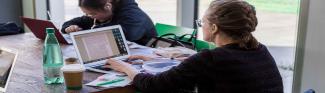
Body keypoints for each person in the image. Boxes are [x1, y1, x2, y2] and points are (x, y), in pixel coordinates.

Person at [105, 0, 284, 93]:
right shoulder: (259, 50)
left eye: (202, 22)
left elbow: (153, 85)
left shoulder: (211, 58)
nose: (201, 25)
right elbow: (217, 67)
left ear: (214, 28)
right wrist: (166, 58)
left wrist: (125, 67)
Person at [61, 0, 157, 45]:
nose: (88, 17)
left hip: (145, 57)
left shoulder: (134, 16)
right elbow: (75, 22)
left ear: (108, 6)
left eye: (92, 14)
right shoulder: (99, 13)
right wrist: (69, 27)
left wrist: (92, 30)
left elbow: (122, 35)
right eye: (86, 13)